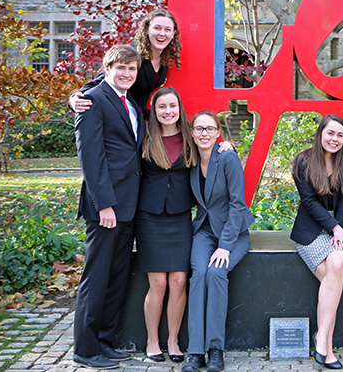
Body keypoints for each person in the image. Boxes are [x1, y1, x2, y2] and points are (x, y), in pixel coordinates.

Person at [73, 44, 144, 369]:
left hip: (128, 205)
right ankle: (85, 349)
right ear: (107, 68)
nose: (127, 74)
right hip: (106, 208)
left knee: (116, 277)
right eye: (121, 68)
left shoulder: (128, 102)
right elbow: (91, 157)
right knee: (97, 277)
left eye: (132, 69)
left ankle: (105, 341)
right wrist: (104, 206)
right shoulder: (93, 100)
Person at [182, 111, 253, 372]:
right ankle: (195, 352)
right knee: (199, 273)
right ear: (191, 132)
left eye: (210, 129)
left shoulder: (227, 158)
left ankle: (215, 350)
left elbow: (238, 204)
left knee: (216, 272)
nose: (204, 133)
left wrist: (225, 245)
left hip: (233, 234)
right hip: (204, 230)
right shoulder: (189, 158)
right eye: (199, 128)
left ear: (217, 133)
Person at [291, 114, 343, 370]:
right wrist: (332, 227)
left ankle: (321, 338)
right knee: (334, 276)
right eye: (330, 133)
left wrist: (340, 230)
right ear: (321, 133)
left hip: (342, 227)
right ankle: (326, 347)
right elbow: (308, 202)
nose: (335, 139)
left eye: (340, 135)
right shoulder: (304, 160)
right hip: (311, 230)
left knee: (336, 264)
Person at [135, 87, 196, 363]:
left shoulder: (190, 137)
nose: (168, 111)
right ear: (154, 110)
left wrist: (225, 145)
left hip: (180, 215)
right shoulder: (144, 136)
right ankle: (152, 341)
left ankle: (173, 341)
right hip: (149, 216)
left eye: (172, 105)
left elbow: (211, 151)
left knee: (180, 281)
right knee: (158, 284)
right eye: (162, 107)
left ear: (179, 108)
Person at [69, 9, 182, 115]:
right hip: (114, 117)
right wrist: (74, 99)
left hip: (136, 117)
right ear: (147, 29)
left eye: (167, 29)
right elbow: (103, 79)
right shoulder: (132, 52)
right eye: (157, 28)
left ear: (173, 33)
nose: (162, 34)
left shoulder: (166, 56)